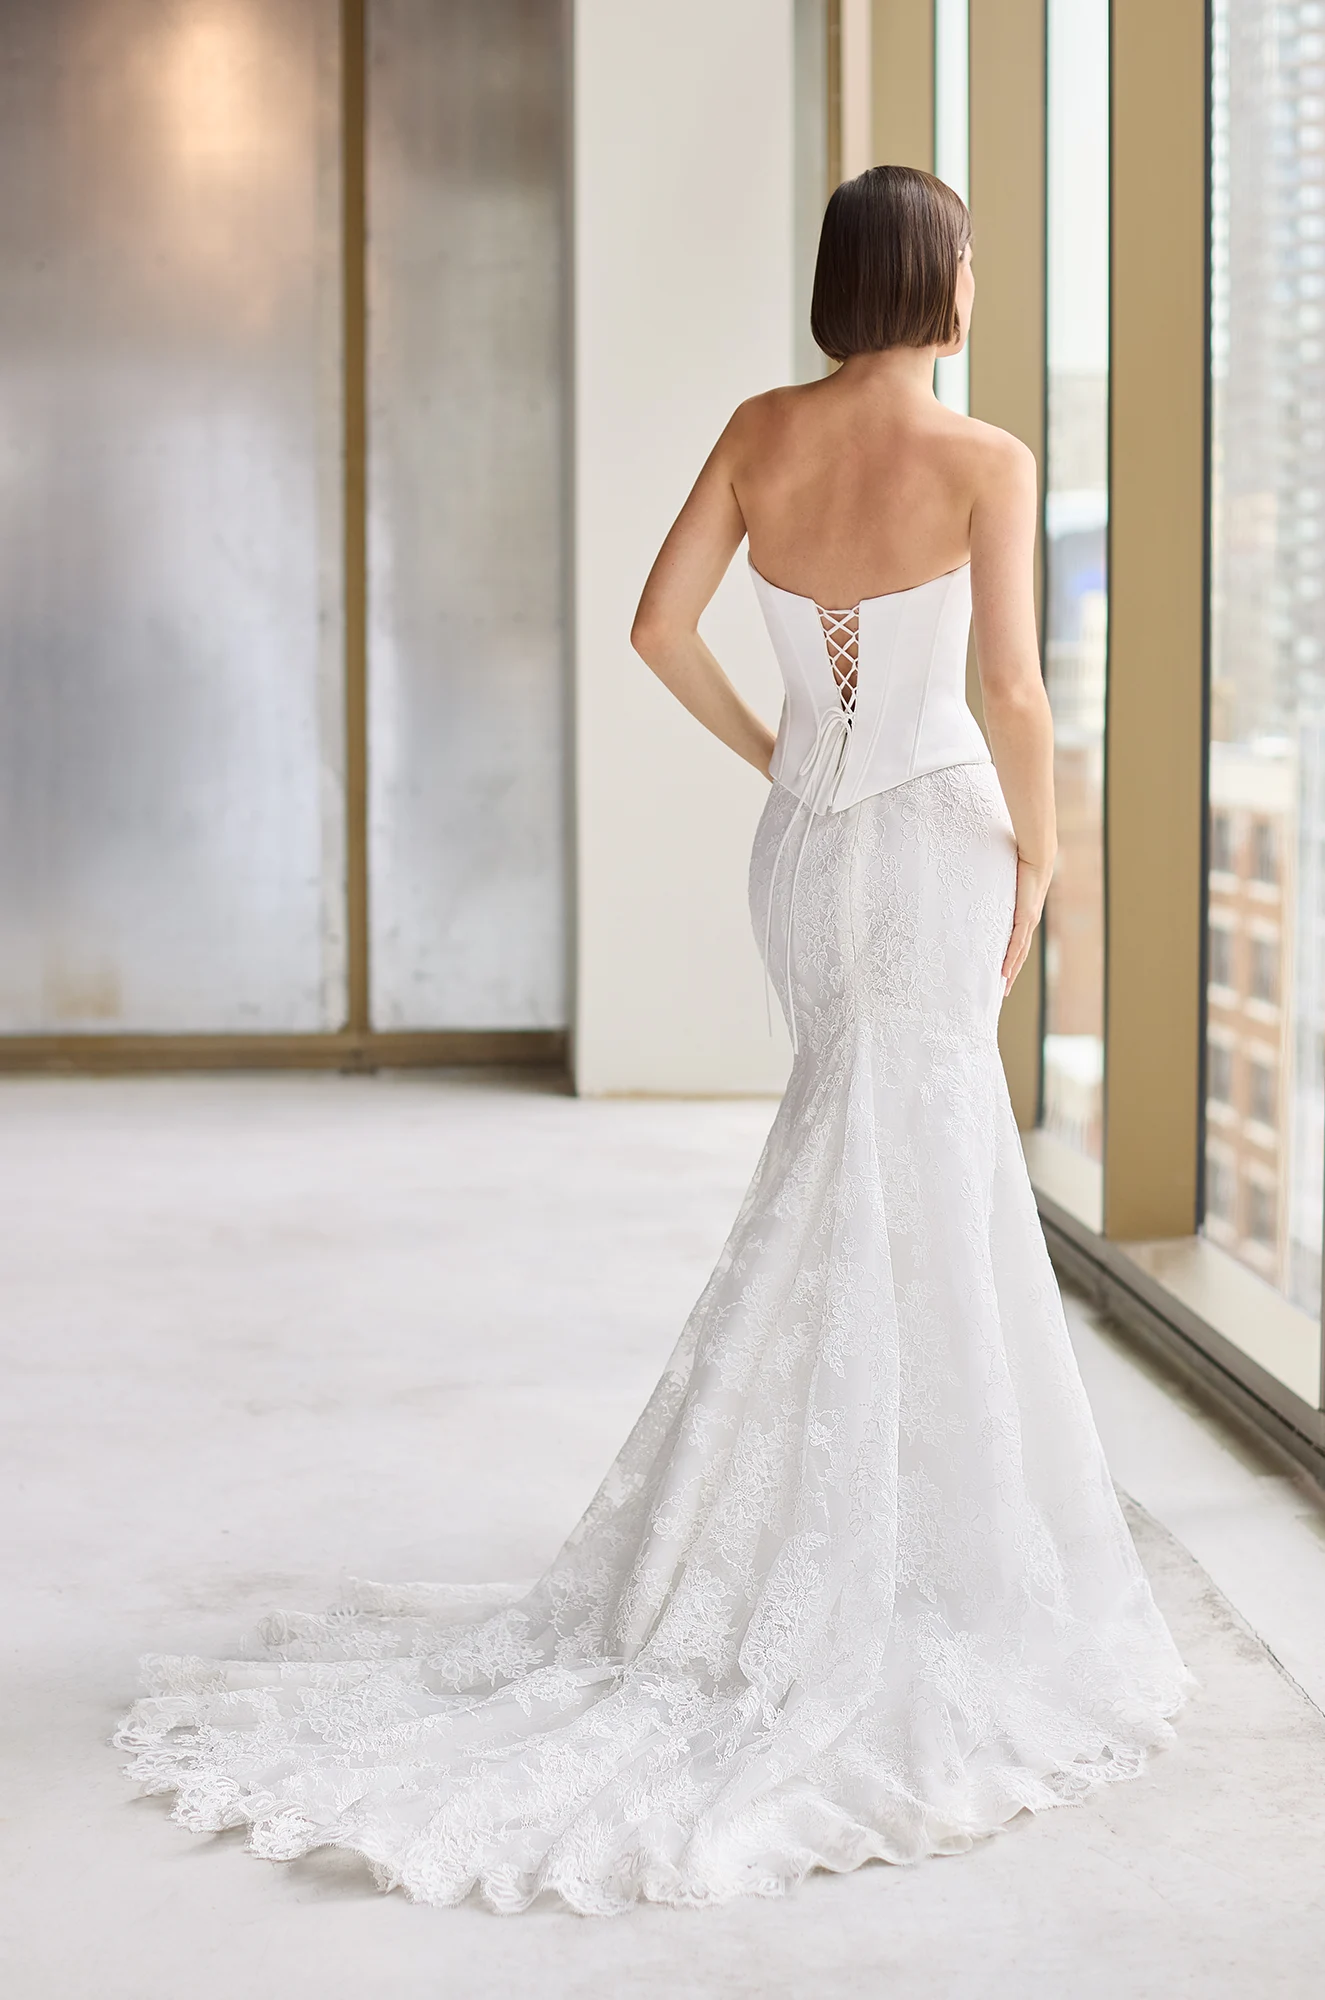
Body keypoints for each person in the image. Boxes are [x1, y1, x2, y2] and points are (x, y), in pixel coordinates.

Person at [116, 166, 1189, 1916]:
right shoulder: (987, 463)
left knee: (848, 1169)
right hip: (929, 844)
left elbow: (653, 625)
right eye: (976, 260)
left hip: (810, 845)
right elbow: (1007, 691)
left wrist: (775, 749)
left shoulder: (763, 429)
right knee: (915, 1177)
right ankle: (885, 1568)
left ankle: (807, 1537)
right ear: (949, 283)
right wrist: (1048, 859)